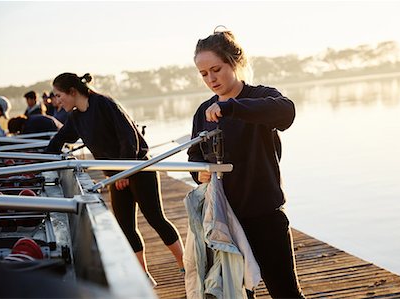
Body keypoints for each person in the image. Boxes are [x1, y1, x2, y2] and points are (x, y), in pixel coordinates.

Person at [187, 28, 305, 298]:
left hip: (265, 215)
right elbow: (194, 157)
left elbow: (286, 113)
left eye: (216, 69)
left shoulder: (260, 96)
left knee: (286, 293)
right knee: (233, 293)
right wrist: (199, 174)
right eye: (204, 74)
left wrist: (231, 108)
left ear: (234, 62)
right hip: (223, 220)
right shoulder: (202, 112)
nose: (211, 79)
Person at [45, 72, 184, 286]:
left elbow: (128, 138)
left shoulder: (103, 103)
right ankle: (144, 277)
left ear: (72, 92)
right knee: (125, 226)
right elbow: (60, 139)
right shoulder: (76, 118)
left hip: (138, 168)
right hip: (116, 176)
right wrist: (43, 160)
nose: (56, 101)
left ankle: (186, 266)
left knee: (156, 219)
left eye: (59, 95)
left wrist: (124, 171)